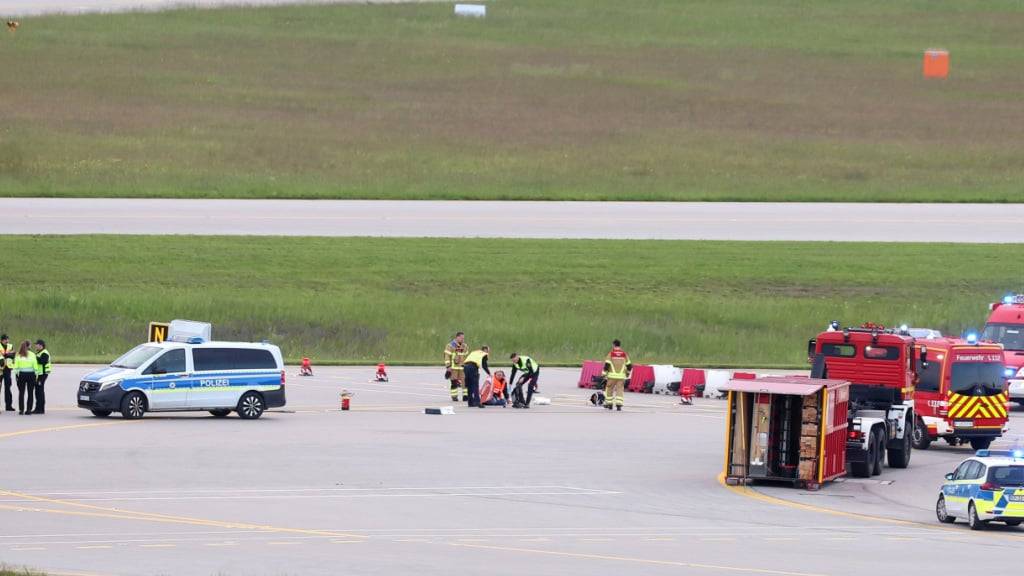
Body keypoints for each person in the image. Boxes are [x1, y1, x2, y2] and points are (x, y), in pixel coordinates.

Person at [602, 339, 631, 411]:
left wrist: (604, 373)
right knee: (620, 390)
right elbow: (629, 365)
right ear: (619, 345)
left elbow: (607, 365)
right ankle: (619, 405)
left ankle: (609, 404)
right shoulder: (624, 354)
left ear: (613, 345)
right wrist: (628, 373)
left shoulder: (611, 354)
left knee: (609, 389)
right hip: (621, 377)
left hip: (611, 376)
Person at [12, 340, 37, 415]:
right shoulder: (32, 354)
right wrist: (36, 374)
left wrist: (16, 375)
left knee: (21, 393)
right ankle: (28, 410)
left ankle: (21, 410)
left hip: (21, 375)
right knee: (30, 393)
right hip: (31, 374)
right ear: (29, 346)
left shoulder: (18, 355)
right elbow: (35, 365)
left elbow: (15, 366)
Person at [444, 332, 469, 403]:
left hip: (462, 367)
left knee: (465, 382)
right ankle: (454, 396)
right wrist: (448, 366)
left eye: (463, 338)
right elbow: (447, 356)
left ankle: (465, 396)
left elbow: (466, 356)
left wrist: (467, 365)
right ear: (457, 337)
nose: (463, 339)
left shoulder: (465, 346)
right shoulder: (450, 345)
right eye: (461, 338)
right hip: (453, 367)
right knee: (454, 382)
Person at [32, 340, 50, 415]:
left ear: (41, 345)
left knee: (40, 391)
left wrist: (34, 357)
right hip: (39, 374)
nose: (35, 346)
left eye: (37, 345)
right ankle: (38, 408)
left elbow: (42, 361)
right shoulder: (38, 353)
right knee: (37, 391)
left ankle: (40, 409)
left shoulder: (45, 353)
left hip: (42, 375)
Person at [1, 334, 13, 412]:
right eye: (5, 339)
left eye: (8, 339)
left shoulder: (10, 346)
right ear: (1, 340)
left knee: (8, 387)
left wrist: (6, 355)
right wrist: (7, 355)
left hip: (8, 369)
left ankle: (8, 406)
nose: (7, 341)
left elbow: (13, 355)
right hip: (0, 369)